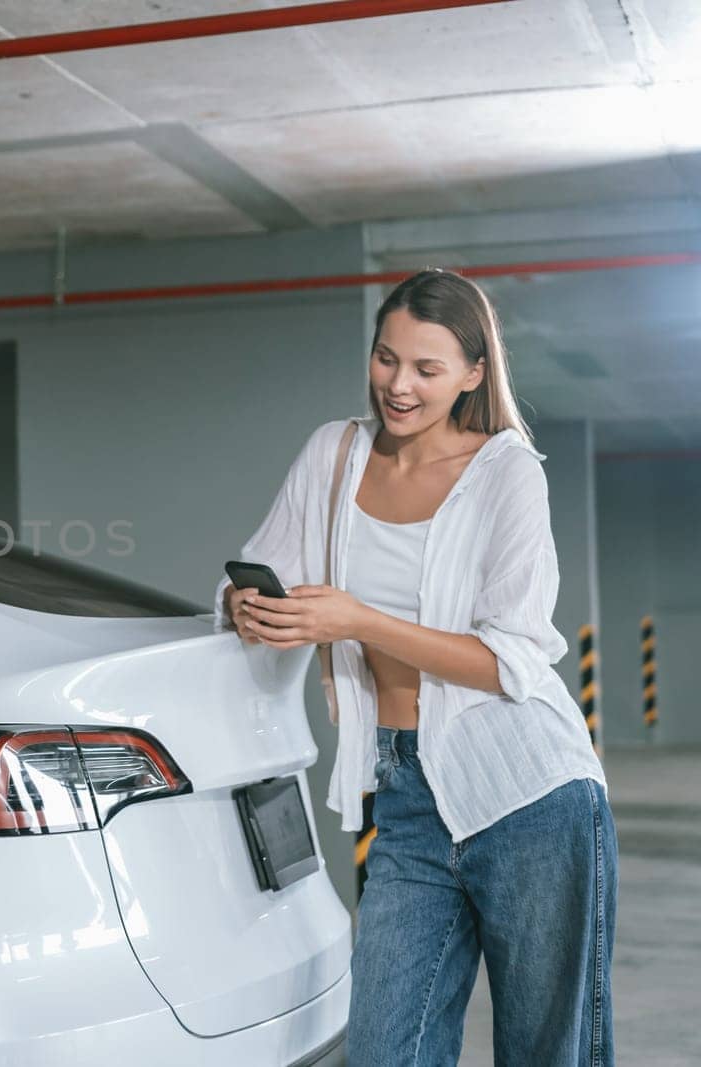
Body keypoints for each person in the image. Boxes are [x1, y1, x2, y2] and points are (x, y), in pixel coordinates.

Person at [216, 269, 616, 1066]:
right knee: (383, 1049)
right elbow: (260, 565)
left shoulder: (507, 471)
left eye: (427, 370)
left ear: (473, 373)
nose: (399, 386)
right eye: (386, 358)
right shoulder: (334, 455)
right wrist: (246, 604)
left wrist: (358, 620)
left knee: (548, 1050)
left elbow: (512, 660)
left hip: (529, 794)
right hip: (405, 793)